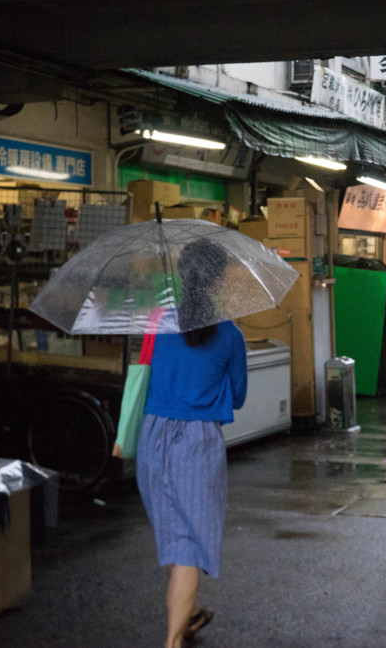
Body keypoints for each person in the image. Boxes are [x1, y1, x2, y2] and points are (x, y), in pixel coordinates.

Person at [135, 238, 248, 648]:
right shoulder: (230, 334)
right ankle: (172, 641)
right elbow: (237, 395)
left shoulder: (156, 322)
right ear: (217, 281)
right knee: (186, 545)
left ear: (182, 276)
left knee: (172, 536)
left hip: (152, 438)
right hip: (196, 445)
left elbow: (143, 373)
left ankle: (192, 615)